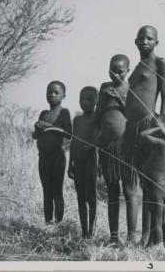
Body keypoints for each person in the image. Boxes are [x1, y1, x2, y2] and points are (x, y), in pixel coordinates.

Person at [121, 25, 165, 244]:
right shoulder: (135, 67)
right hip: (130, 128)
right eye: (141, 38)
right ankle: (133, 237)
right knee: (131, 184)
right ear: (135, 41)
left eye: (150, 38)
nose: (145, 41)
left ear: (157, 42)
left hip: (148, 126)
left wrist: (162, 127)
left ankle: (148, 237)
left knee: (150, 185)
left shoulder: (160, 63)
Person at [94, 54, 130, 244]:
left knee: (130, 190)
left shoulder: (129, 87)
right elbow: (97, 116)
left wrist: (120, 99)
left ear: (128, 71)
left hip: (125, 147)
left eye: (120, 71)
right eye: (112, 69)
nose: (115, 74)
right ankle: (114, 236)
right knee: (112, 191)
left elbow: (133, 115)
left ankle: (132, 237)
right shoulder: (104, 87)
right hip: (106, 146)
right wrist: (105, 99)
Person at [33, 81, 72, 224]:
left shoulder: (64, 112)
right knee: (46, 192)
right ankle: (48, 223)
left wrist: (50, 127)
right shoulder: (43, 113)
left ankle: (58, 223)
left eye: (56, 92)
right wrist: (37, 128)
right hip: (43, 158)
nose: (52, 95)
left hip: (57, 158)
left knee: (57, 191)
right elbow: (35, 136)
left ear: (64, 95)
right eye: (49, 92)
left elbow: (69, 134)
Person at [139, 114, 165, 247]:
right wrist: (161, 128)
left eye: (156, 125)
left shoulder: (162, 144)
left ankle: (159, 247)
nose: (154, 127)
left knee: (157, 221)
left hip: (157, 188)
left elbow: (143, 135)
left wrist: (157, 129)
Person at [68, 86, 99, 238]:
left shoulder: (98, 118)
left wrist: (93, 146)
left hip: (92, 160)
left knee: (91, 196)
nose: (85, 102)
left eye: (89, 99)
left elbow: (102, 139)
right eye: (82, 99)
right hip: (78, 161)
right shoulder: (77, 120)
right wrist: (70, 164)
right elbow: (73, 141)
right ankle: (84, 231)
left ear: (96, 101)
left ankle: (91, 232)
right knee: (80, 196)